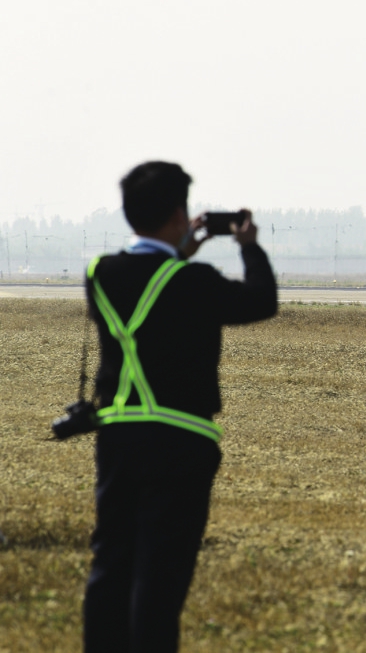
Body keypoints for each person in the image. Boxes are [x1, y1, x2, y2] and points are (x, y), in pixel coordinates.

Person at [82, 161, 277, 652]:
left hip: (118, 438)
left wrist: (179, 248)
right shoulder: (195, 282)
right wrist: (248, 247)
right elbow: (260, 301)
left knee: (111, 565)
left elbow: (150, 284)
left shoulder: (100, 274)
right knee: (159, 576)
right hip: (178, 440)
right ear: (177, 214)